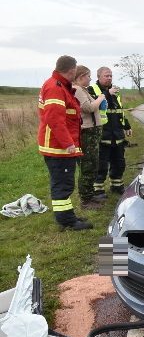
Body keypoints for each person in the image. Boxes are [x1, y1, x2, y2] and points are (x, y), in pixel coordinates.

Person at [37, 55, 92, 231]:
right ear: (72, 70)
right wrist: (68, 144)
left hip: (59, 145)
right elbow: (55, 120)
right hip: (58, 147)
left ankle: (68, 216)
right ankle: (67, 221)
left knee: (64, 183)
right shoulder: (55, 87)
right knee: (63, 185)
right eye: (76, 69)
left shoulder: (59, 86)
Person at [89, 66, 131, 195]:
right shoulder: (91, 89)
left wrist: (127, 126)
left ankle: (116, 186)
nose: (109, 78)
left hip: (117, 133)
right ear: (98, 77)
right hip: (102, 134)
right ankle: (98, 190)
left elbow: (119, 110)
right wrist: (108, 94)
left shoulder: (115, 91)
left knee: (119, 162)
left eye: (110, 76)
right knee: (101, 164)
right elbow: (94, 106)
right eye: (106, 76)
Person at [72, 65, 106, 209]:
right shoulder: (78, 90)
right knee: (88, 165)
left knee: (93, 164)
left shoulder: (83, 89)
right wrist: (100, 98)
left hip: (92, 131)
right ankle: (86, 200)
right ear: (80, 77)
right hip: (87, 132)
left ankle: (90, 194)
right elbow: (88, 108)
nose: (90, 79)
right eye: (88, 76)